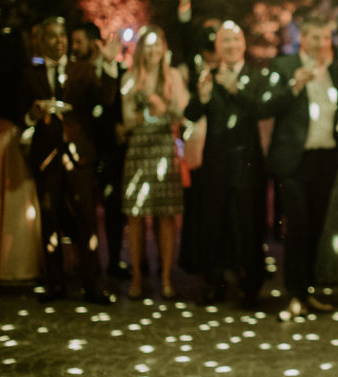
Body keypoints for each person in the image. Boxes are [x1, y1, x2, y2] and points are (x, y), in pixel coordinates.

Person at [21, 16, 116, 304]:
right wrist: (32, 116)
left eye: (62, 35)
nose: (60, 40)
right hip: (47, 155)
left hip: (79, 155)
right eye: (52, 36)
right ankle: (55, 284)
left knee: (87, 219)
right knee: (49, 220)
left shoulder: (82, 69)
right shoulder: (31, 75)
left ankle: (92, 285)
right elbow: (21, 116)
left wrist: (110, 65)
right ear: (41, 41)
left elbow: (105, 99)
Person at [264, 14, 338, 318]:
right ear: (302, 38)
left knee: (316, 228)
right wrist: (294, 87)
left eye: (325, 38)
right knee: (297, 228)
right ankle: (294, 294)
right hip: (293, 161)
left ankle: (308, 291)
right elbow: (268, 104)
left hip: (324, 158)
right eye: (314, 37)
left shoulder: (335, 71)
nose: (320, 44)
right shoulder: (283, 66)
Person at [184, 21, 268, 308]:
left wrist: (236, 90)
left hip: (247, 160)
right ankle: (215, 283)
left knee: (247, 223)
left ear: (243, 44)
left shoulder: (256, 75)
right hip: (216, 161)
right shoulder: (209, 76)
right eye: (225, 41)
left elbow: (260, 109)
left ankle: (249, 285)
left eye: (235, 40)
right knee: (214, 223)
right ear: (218, 47)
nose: (230, 46)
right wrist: (203, 97)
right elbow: (191, 113)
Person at [120, 25, 187, 300]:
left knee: (166, 217)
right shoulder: (130, 77)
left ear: (163, 48)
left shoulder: (173, 77)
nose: (153, 50)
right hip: (138, 148)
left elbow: (183, 116)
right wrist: (147, 111)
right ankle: (137, 276)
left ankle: (166, 278)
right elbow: (125, 121)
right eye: (148, 45)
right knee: (135, 216)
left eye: (157, 44)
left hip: (164, 148)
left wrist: (166, 108)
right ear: (140, 49)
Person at [0, 28, 42, 282]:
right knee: (18, 202)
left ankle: (0, 262)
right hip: (13, 138)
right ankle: (17, 263)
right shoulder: (24, 75)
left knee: (2, 201)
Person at [71, 22, 128, 278]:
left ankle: (114, 261)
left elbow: (118, 104)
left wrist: (119, 124)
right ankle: (83, 261)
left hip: (109, 151)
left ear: (94, 44)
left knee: (113, 208)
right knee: (78, 209)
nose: (74, 47)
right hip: (81, 148)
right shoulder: (72, 72)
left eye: (78, 42)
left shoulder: (118, 70)